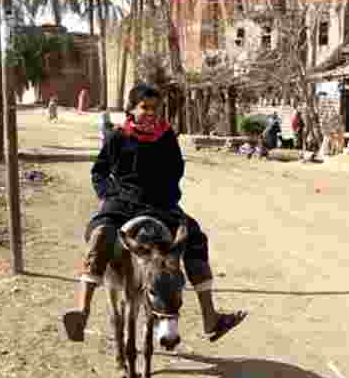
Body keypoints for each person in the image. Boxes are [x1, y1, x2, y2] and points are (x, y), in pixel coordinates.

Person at [62, 84, 247, 343]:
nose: (150, 113)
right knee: (101, 235)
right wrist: (110, 194)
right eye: (144, 107)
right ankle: (82, 312)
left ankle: (210, 317)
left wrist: (166, 193)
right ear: (131, 109)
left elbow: (176, 169)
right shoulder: (117, 137)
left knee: (193, 236)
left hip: (161, 205)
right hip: (123, 204)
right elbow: (99, 172)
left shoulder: (166, 136)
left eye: (155, 108)